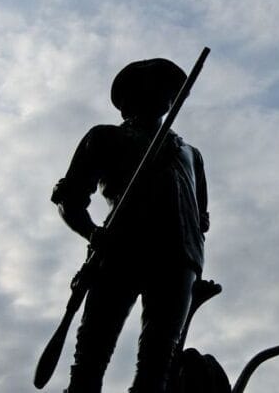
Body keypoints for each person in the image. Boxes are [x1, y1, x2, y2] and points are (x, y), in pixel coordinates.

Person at [51, 58, 210, 393]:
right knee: (92, 356)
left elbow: (202, 218)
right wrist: (93, 233)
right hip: (121, 250)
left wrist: (194, 262)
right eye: (159, 85)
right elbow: (71, 198)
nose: (168, 93)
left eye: (171, 88)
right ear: (131, 96)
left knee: (158, 363)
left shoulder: (192, 155)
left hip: (180, 258)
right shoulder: (105, 138)